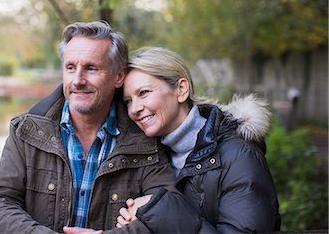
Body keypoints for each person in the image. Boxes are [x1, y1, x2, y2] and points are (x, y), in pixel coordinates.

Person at [0, 22, 177, 234]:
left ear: (118, 76)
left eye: (91, 68)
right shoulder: (27, 131)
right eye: (70, 68)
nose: (78, 80)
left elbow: (167, 215)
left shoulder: (144, 138)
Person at [64, 47, 281, 234]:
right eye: (128, 101)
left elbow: (166, 215)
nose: (135, 109)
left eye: (144, 92)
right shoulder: (151, 153)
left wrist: (161, 212)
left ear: (181, 89)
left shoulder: (239, 156)